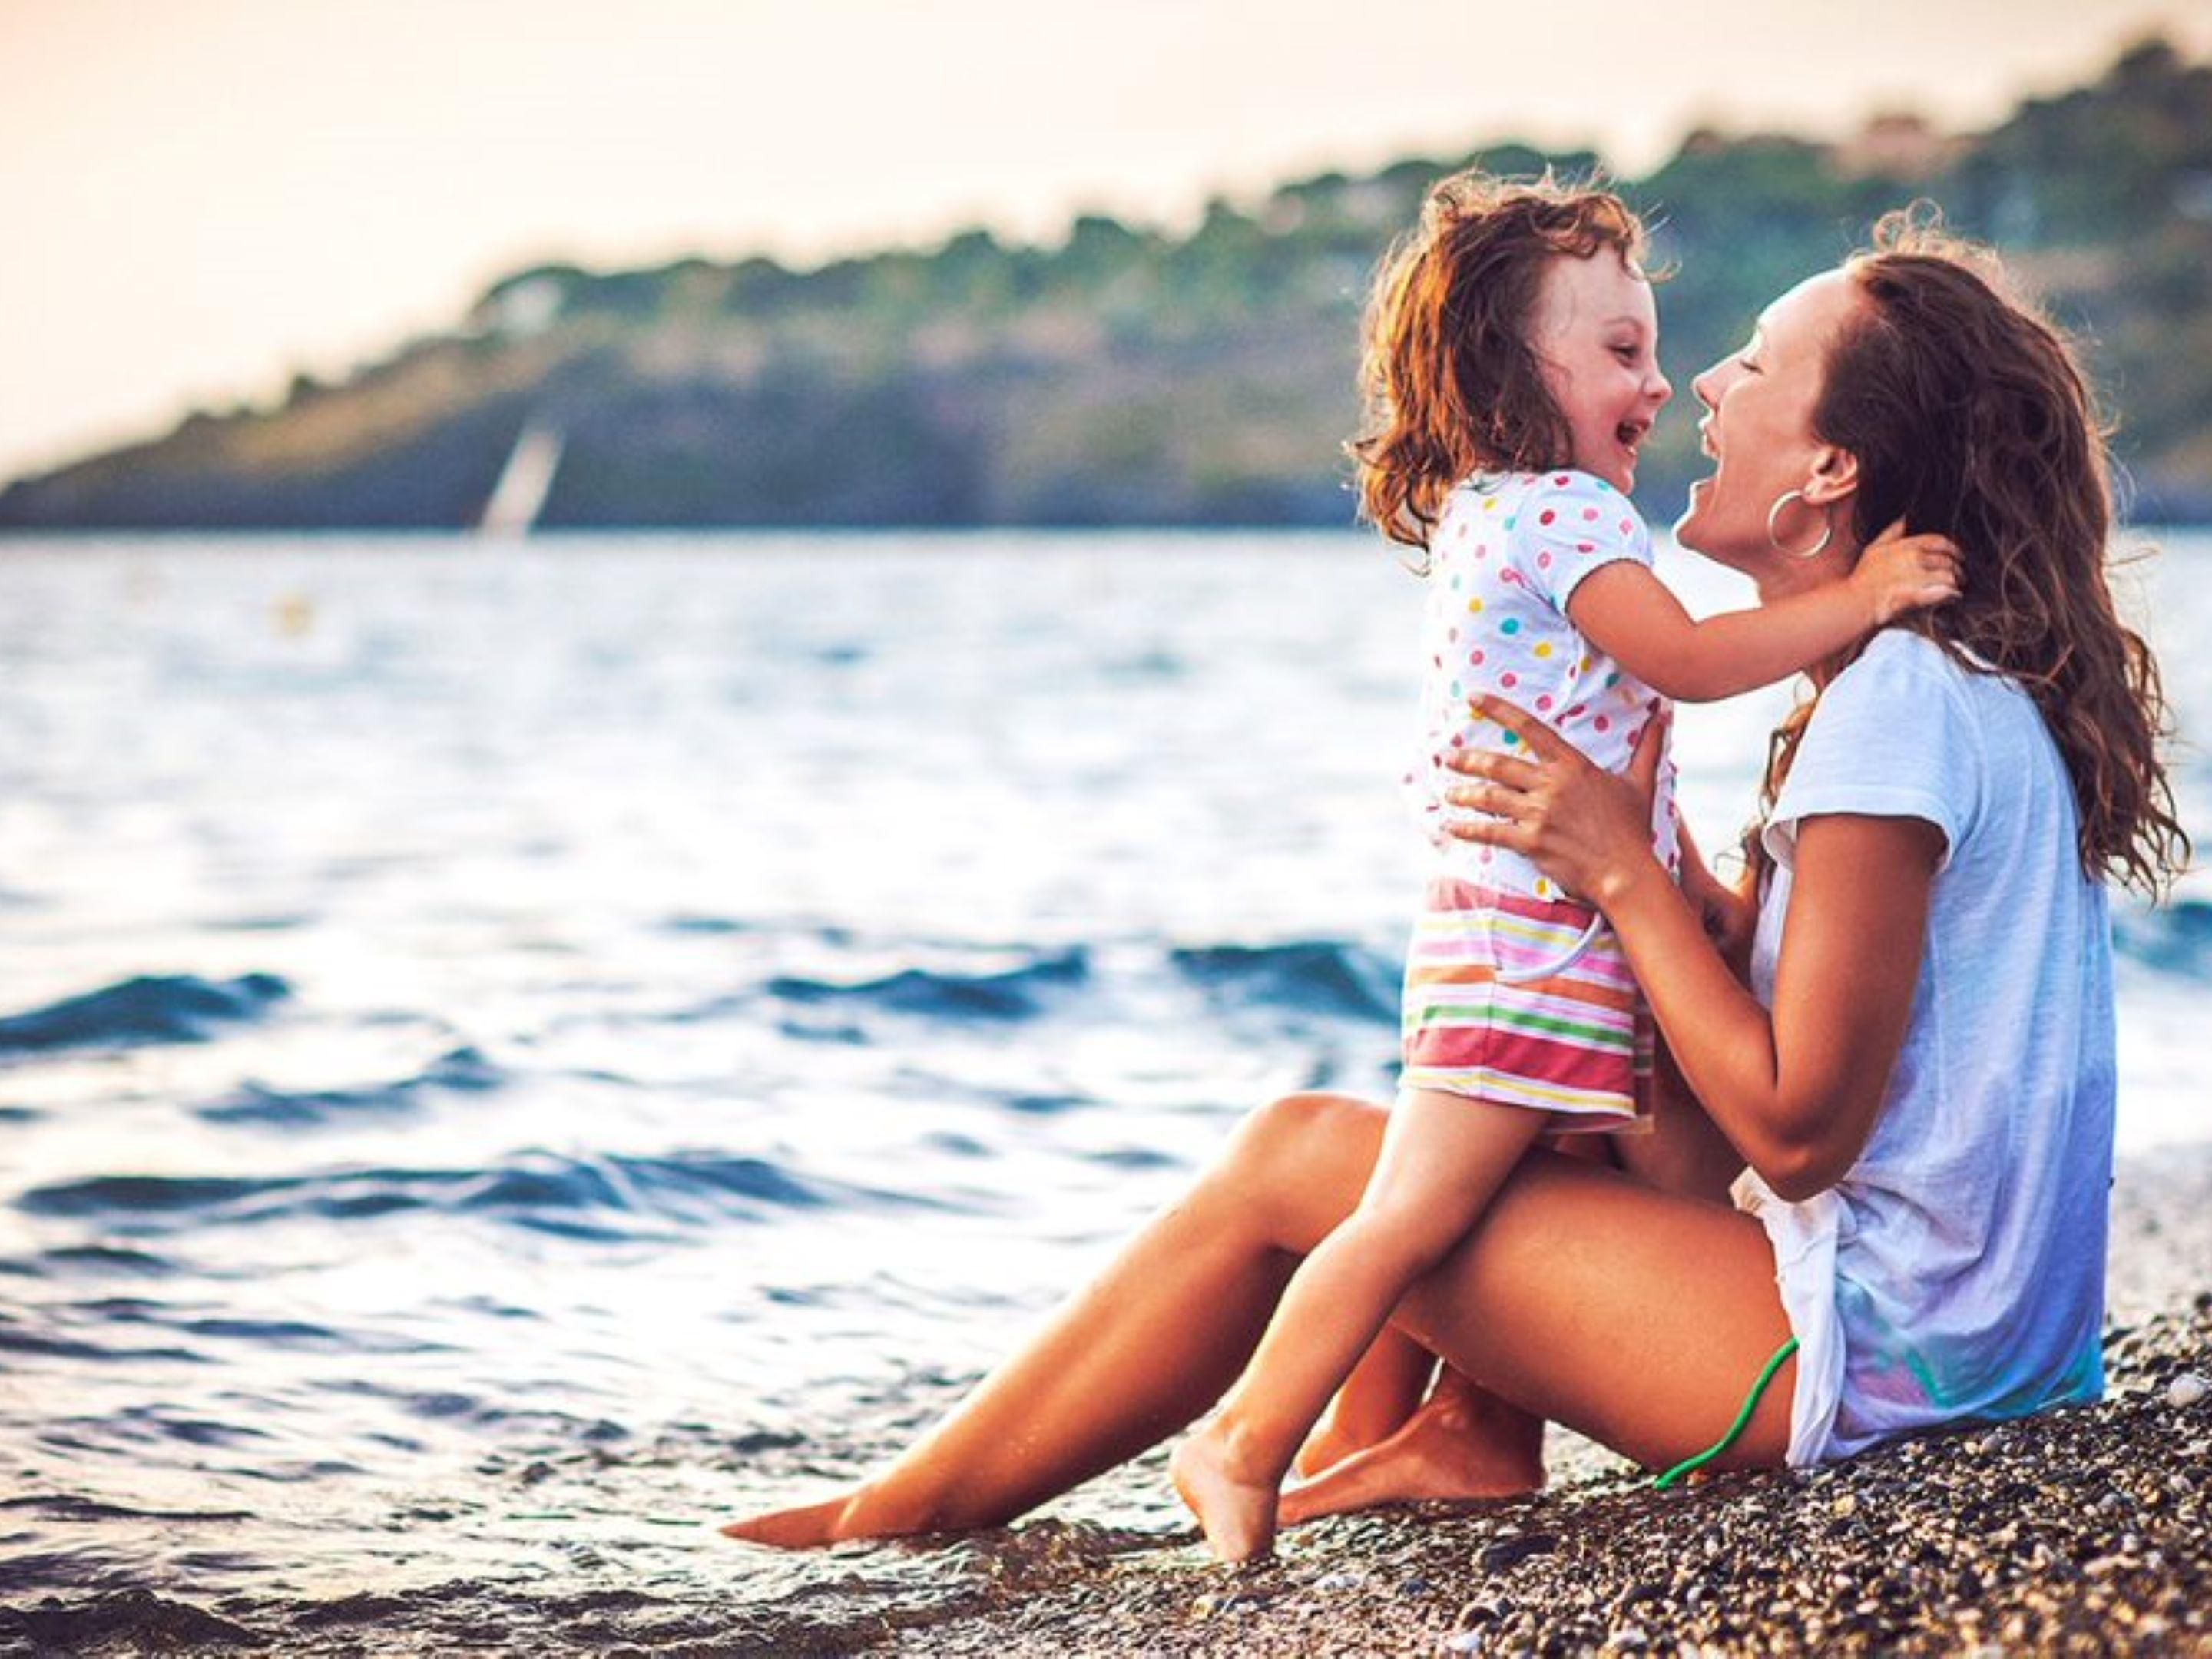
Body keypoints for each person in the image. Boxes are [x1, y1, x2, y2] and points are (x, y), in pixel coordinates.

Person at [722, 210, 2186, 1555]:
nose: (1704, 389)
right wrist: (1659, 875)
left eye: (1751, 361)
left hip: (1873, 1366)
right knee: (1527, 1070)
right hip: (1947, 1341)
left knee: (1302, 1157)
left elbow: (1801, 1132)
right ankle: (1452, 1444)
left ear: (1832, 471)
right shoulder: (1928, 690)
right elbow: (1835, 1017)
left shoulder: (1899, 707)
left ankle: (895, 1522)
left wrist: (1619, 874)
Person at [1168, 173, 1959, 1563]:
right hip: (1538, 950)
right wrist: (1865, 595)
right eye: (1619, 354)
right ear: (1506, 370)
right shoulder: (1569, 521)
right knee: (1411, 1215)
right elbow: (1692, 663)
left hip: (1542, 934)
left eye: (1651, 350)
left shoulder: (1496, 513)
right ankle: (1241, 1445)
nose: (1658, 384)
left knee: (1557, 1195)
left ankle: (1466, 1443)